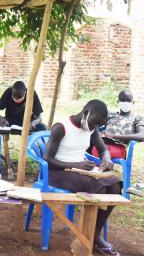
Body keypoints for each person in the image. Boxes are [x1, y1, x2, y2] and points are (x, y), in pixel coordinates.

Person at [45, 100, 121, 256]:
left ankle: (94, 234)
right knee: (98, 186)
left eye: (98, 125)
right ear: (86, 112)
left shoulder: (91, 128)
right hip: (58, 173)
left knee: (115, 186)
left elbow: (102, 149)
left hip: (80, 171)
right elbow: (47, 158)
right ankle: (89, 236)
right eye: (94, 122)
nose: (94, 127)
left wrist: (106, 158)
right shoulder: (61, 127)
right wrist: (76, 164)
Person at [91, 89, 144, 159]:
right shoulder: (110, 114)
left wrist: (115, 136)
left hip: (118, 147)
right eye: (122, 100)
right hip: (101, 142)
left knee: (98, 152)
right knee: (85, 143)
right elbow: (94, 124)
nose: (125, 102)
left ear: (133, 102)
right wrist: (98, 133)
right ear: (118, 102)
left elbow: (142, 136)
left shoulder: (136, 117)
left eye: (128, 100)